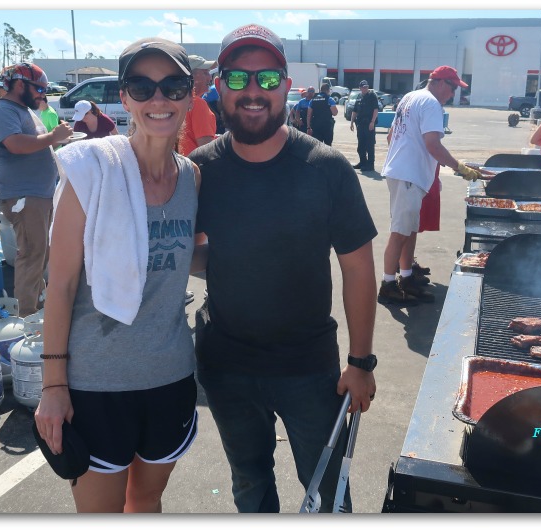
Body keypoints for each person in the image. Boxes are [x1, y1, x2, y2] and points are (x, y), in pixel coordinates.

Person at [188, 23, 377, 513]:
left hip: (309, 368)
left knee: (329, 491)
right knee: (250, 485)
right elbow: (181, 250)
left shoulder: (326, 167)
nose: (253, 92)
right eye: (238, 78)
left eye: (267, 79)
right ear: (219, 87)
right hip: (227, 366)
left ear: (287, 87)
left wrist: (360, 364)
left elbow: (358, 270)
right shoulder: (199, 169)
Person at [33, 37, 202, 513]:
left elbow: (183, 257)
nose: (158, 100)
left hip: (170, 376)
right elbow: (61, 286)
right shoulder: (93, 173)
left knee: (147, 501)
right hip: (95, 384)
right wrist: (53, 387)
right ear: (124, 97)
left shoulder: (192, 178)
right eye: (142, 87)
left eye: (172, 86)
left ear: (190, 94)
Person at [378, 65, 481, 306]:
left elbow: (391, 135)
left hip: (404, 173)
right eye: (453, 87)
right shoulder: (432, 104)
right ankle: (387, 285)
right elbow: (433, 145)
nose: (454, 93)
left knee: (410, 229)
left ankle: (406, 277)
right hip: (408, 175)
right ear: (440, 83)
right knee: (399, 232)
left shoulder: (410, 97)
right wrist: (460, 168)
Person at [0, 62, 73, 316]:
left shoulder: (23, 109)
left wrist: (55, 139)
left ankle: (37, 305)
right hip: (24, 196)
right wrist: (54, 137)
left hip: (38, 194)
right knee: (32, 254)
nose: (43, 94)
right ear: (20, 84)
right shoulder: (3, 110)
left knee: (40, 253)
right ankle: (26, 316)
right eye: (40, 89)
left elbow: (35, 142)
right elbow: (15, 144)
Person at [179, 55, 218, 156]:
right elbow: (207, 150)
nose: (210, 77)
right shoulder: (198, 104)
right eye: (205, 73)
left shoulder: (177, 102)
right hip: (196, 168)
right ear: (190, 77)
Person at [350, 80, 379, 171]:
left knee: (369, 145)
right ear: (360, 88)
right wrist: (351, 122)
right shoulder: (359, 96)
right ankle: (363, 162)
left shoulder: (372, 96)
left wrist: (372, 122)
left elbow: (375, 110)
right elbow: (355, 111)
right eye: (363, 87)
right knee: (361, 145)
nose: (365, 88)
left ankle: (370, 165)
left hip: (369, 124)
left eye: (366, 87)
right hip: (360, 124)